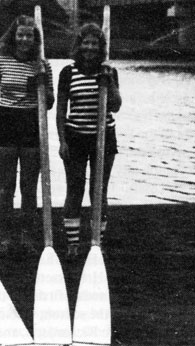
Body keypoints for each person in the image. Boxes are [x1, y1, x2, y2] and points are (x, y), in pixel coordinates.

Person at [0, 15, 54, 257]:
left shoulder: (43, 64)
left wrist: (43, 82)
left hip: (32, 126)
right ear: (13, 36)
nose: (24, 39)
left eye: (29, 35)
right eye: (20, 34)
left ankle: (26, 237)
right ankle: (5, 238)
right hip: (6, 124)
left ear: (36, 39)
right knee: (6, 187)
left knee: (29, 188)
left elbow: (50, 104)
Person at [56, 23, 122, 259]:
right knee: (74, 189)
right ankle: (73, 244)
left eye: (95, 43)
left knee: (98, 190)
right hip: (75, 137)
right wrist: (62, 140)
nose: (90, 47)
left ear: (101, 47)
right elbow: (61, 110)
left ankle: (97, 243)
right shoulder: (68, 72)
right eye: (86, 42)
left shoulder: (109, 71)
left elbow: (115, 105)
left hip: (104, 136)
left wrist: (109, 81)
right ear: (79, 45)